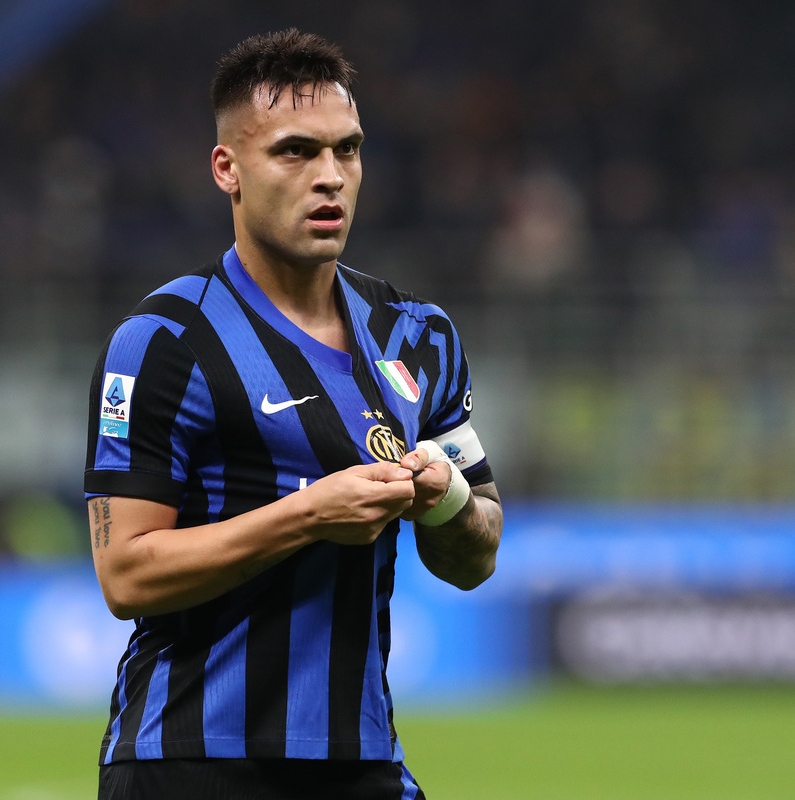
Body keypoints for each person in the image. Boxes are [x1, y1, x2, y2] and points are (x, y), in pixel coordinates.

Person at [83, 28, 502, 800]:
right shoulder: (165, 341)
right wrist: (308, 515)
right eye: (296, 152)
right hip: (190, 761)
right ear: (227, 169)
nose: (331, 178)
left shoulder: (420, 334)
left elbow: (476, 554)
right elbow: (126, 574)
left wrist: (441, 496)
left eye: (348, 150)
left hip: (361, 758)